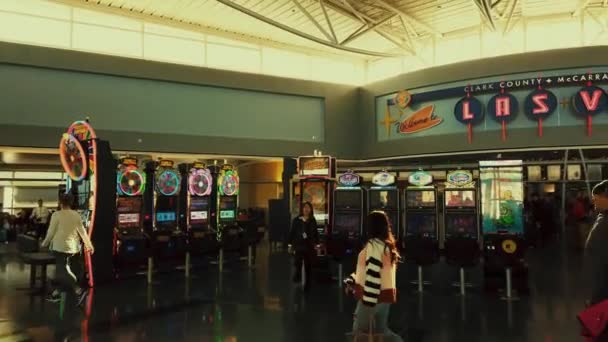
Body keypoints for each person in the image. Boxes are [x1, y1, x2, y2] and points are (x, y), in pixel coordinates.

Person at [344, 211, 402, 342]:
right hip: (385, 298)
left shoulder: (373, 246)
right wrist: (352, 280)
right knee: (382, 332)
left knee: (358, 332)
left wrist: (368, 305)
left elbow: (373, 276)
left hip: (372, 298)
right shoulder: (385, 246)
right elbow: (369, 271)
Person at [41, 194, 94, 305]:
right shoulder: (76, 215)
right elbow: (82, 232)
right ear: (71, 202)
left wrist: (45, 243)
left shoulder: (56, 215)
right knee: (64, 272)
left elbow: (51, 232)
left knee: (63, 271)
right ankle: (56, 294)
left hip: (60, 247)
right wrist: (89, 245)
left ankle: (78, 291)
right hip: (73, 247)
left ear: (60, 202)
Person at [582, 180, 608, 339]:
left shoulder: (605, 222)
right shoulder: (602, 217)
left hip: (603, 289)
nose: (593, 200)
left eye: (596, 197)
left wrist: (596, 296)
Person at [287, 201, 318, 291]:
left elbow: (315, 233)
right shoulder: (296, 220)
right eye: (305, 207)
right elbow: (292, 233)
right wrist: (290, 244)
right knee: (298, 261)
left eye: (308, 207)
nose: (306, 209)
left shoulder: (312, 220)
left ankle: (308, 283)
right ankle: (298, 274)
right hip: (299, 244)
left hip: (309, 245)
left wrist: (316, 244)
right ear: (302, 209)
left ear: (311, 209)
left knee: (309, 265)